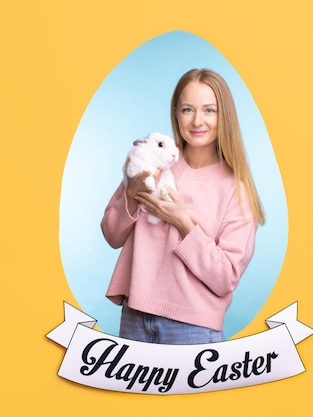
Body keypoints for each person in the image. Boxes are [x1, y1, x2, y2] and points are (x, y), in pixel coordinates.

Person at [100, 68, 265, 345]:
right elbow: (111, 235)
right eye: (188, 109)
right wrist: (131, 193)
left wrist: (183, 223)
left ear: (224, 115)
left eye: (209, 110)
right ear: (176, 112)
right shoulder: (154, 159)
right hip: (135, 316)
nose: (198, 120)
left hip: (193, 328)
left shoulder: (236, 189)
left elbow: (226, 277)